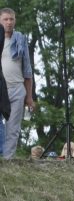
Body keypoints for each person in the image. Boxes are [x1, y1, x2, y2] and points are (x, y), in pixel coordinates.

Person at [0, 9, 34, 159]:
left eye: (11, 19)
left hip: (16, 88)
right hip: (1, 88)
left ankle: (8, 159)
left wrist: (29, 96)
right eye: (6, 19)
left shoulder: (20, 39)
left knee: (13, 127)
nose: (9, 22)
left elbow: (27, 70)